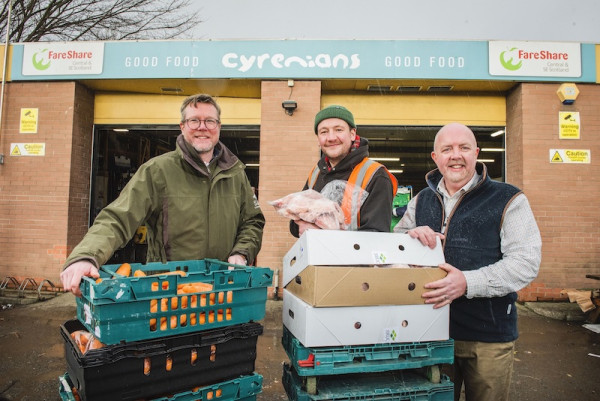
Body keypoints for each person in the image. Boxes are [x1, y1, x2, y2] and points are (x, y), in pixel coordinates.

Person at [61, 94, 265, 296]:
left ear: (218, 127)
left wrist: (241, 253)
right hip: (168, 293)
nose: (202, 127)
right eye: (194, 120)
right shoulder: (157, 171)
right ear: (182, 126)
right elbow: (117, 218)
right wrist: (86, 256)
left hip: (223, 289)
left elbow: (253, 221)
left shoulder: (236, 174)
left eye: (209, 121)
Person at [394, 122, 541, 401]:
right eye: (446, 149)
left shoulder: (508, 198)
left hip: (487, 335)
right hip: (429, 331)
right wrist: (409, 236)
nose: (456, 155)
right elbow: (394, 247)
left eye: (463, 147)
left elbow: (525, 262)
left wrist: (467, 282)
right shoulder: (422, 200)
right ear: (436, 158)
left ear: (477, 152)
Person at [290, 105, 397, 237]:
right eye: (324, 132)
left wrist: (325, 233)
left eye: (338, 130)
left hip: (355, 257)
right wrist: (301, 225)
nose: (331, 137)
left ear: (352, 134)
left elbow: (377, 236)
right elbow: (295, 224)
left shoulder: (375, 175)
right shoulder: (316, 173)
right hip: (317, 256)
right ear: (318, 139)